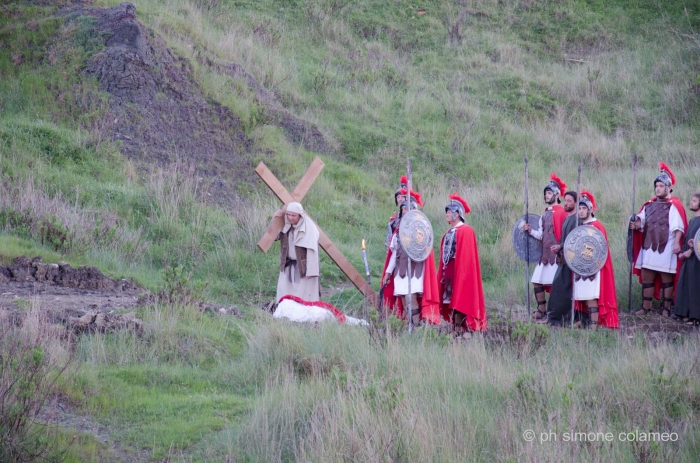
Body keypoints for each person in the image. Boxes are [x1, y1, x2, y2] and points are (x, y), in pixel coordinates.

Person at [630, 162, 688, 317]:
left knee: (666, 278)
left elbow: (679, 227)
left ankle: (666, 308)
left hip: (667, 246)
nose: (658, 188)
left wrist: (676, 243)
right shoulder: (649, 204)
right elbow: (641, 222)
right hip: (648, 246)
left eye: (661, 186)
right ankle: (645, 307)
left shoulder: (674, 205)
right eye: (657, 186)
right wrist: (635, 224)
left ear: (669, 187)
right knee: (647, 276)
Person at [382, 194, 440, 325]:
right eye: (403, 209)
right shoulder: (397, 232)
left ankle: (416, 327)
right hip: (400, 271)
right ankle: (410, 326)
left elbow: (424, 252)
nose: (404, 212)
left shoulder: (420, 231)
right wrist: (388, 273)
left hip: (415, 272)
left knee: (411, 299)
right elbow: (393, 255)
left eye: (407, 209)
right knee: (403, 299)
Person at [437, 193, 487, 334]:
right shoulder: (449, 232)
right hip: (450, 271)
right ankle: (456, 328)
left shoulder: (466, 231)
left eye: (449, 212)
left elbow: (466, 258)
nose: (446, 214)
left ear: (457, 213)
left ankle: (461, 329)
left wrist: (461, 272)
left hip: (461, 271)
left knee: (460, 297)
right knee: (450, 298)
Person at [522, 173, 568, 320]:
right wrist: (530, 231)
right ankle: (541, 309)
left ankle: (556, 312)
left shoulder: (562, 212)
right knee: (537, 281)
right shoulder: (544, 214)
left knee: (556, 285)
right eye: (545, 193)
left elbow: (567, 235)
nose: (546, 196)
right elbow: (541, 235)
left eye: (549, 193)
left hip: (557, 256)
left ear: (557, 194)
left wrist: (561, 249)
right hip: (545, 255)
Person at [572, 190, 619, 329]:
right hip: (581, 266)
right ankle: (586, 322)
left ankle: (594, 325)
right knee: (584, 294)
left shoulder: (597, 226)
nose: (580, 211)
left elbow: (601, 250)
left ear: (590, 209)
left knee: (591, 294)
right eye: (579, 208)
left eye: (584, 208)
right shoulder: (580, 226)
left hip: (594, 268)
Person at [273, 202, 321, 302]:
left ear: (300, 215)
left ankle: (303, 314)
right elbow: (273, 236)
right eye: (288, 215)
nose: (290, 218)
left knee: (304, 294)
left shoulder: (309, 228)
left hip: (303, 266)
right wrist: (275, 219)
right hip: (287, 264)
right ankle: (286, 313)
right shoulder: (286, 225)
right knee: (285, 290)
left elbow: (312, 250)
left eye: (293, 215)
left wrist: (312, 271)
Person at [545, 191, 578, 326]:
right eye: (565, 201)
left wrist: (561, 246)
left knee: (565, 288)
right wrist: (559, 247)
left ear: (575, 203)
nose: (566, 203)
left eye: (569, 201)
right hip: (564, 259)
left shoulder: (577, 219)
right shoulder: (567, 218)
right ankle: (555, 318)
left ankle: (564, 319)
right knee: (558, 287)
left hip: (572, 261)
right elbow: (563, 238)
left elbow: (576, 239)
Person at [674, 192, 700, 326]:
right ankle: (685, 313)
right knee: (686, 285)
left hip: (697, 261)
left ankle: (695, 317)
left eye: (694, 201)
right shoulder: (692, 220)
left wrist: (691, 250)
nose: (691, 203)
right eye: (692, 200)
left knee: (696, 286)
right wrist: (685, 251)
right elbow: (691, 239)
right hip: (689, 260)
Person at [385, 176, 408, 248]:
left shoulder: (413, 216)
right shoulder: (393, 219)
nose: (400, 199)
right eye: (398, 197)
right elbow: (388, 242)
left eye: (402, 197)